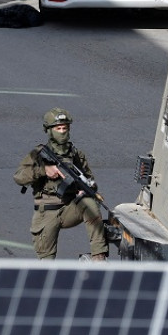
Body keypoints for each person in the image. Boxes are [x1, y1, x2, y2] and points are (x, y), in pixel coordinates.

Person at [13, 108, 109, 261]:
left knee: (90, 204)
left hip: (69, 209)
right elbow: (19, 177)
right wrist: (43, 170)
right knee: (47, 264)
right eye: (58, 128)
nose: (62, 132)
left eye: (65, 128)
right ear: (49, 130)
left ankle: (98, 257)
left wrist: (86, 190)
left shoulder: (75, 154)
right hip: (46, 212)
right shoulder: (38, 153)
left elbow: (90, 180)